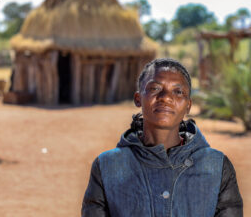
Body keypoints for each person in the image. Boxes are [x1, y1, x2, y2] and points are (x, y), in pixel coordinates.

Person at [81, 58, 243, 217]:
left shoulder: (216, 166)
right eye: (155, 88)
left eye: (178, 91)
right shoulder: (108, 166)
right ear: (138, 99)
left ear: (188, 105)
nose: (166, 97)